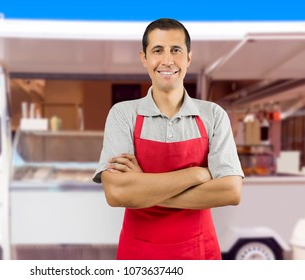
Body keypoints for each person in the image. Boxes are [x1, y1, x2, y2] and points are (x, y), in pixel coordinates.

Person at [92, 18, 244, 260]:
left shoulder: (213, 115)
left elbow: (230, 191)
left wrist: (142, 187)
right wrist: (197, 175)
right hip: (139, 255)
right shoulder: (123, 114)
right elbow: (117, 193)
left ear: (188, 58)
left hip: (199, 252)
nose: (167, 60)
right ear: (144, 58)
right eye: (157, 50)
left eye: (176, 50)